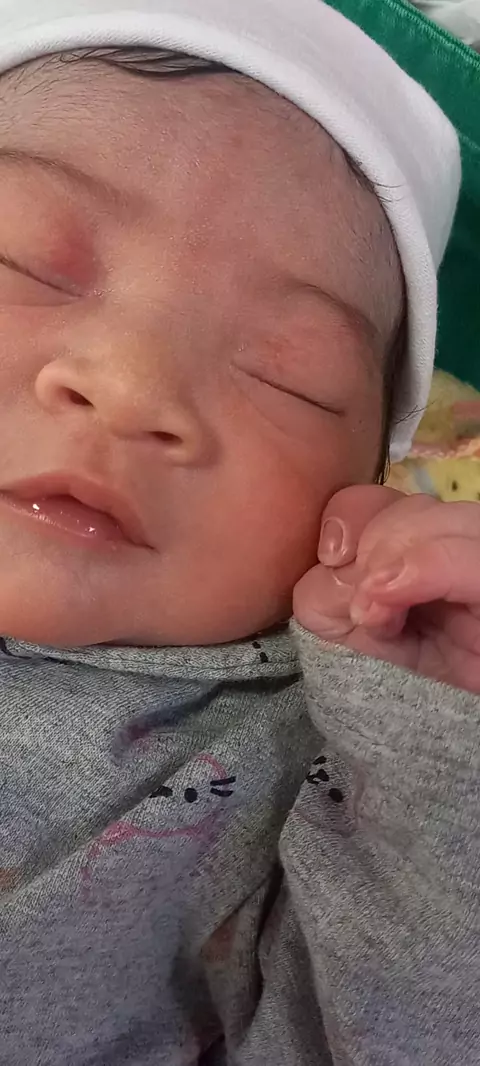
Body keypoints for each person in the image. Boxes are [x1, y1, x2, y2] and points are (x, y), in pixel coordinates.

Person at [0, 0, 478, 1063]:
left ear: (362, 491)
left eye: (286, 374)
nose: (133, 386)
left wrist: (433, 758)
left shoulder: (320, 778)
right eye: (21, 260)